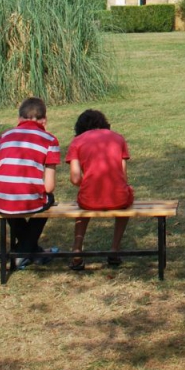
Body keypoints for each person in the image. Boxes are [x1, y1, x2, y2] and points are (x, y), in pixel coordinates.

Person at [0, 97, 60, 266]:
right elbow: (49, 187)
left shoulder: (4, 136)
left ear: (19, 119)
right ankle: (23, 253)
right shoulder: (50, 140)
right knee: (48, 199)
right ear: (44, 120)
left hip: (0, 198)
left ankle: (32, 251)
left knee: (11, 199)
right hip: (25, 200)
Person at [65, 109, 133, 271]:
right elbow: (123, 176)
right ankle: (114, 249)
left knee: (84, 203)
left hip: (89, 198)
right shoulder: (118, 138)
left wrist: (88, 183)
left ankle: (77, 249)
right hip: (118, 198)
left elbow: (75, 178)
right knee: (126, 199)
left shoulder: (77, 142)